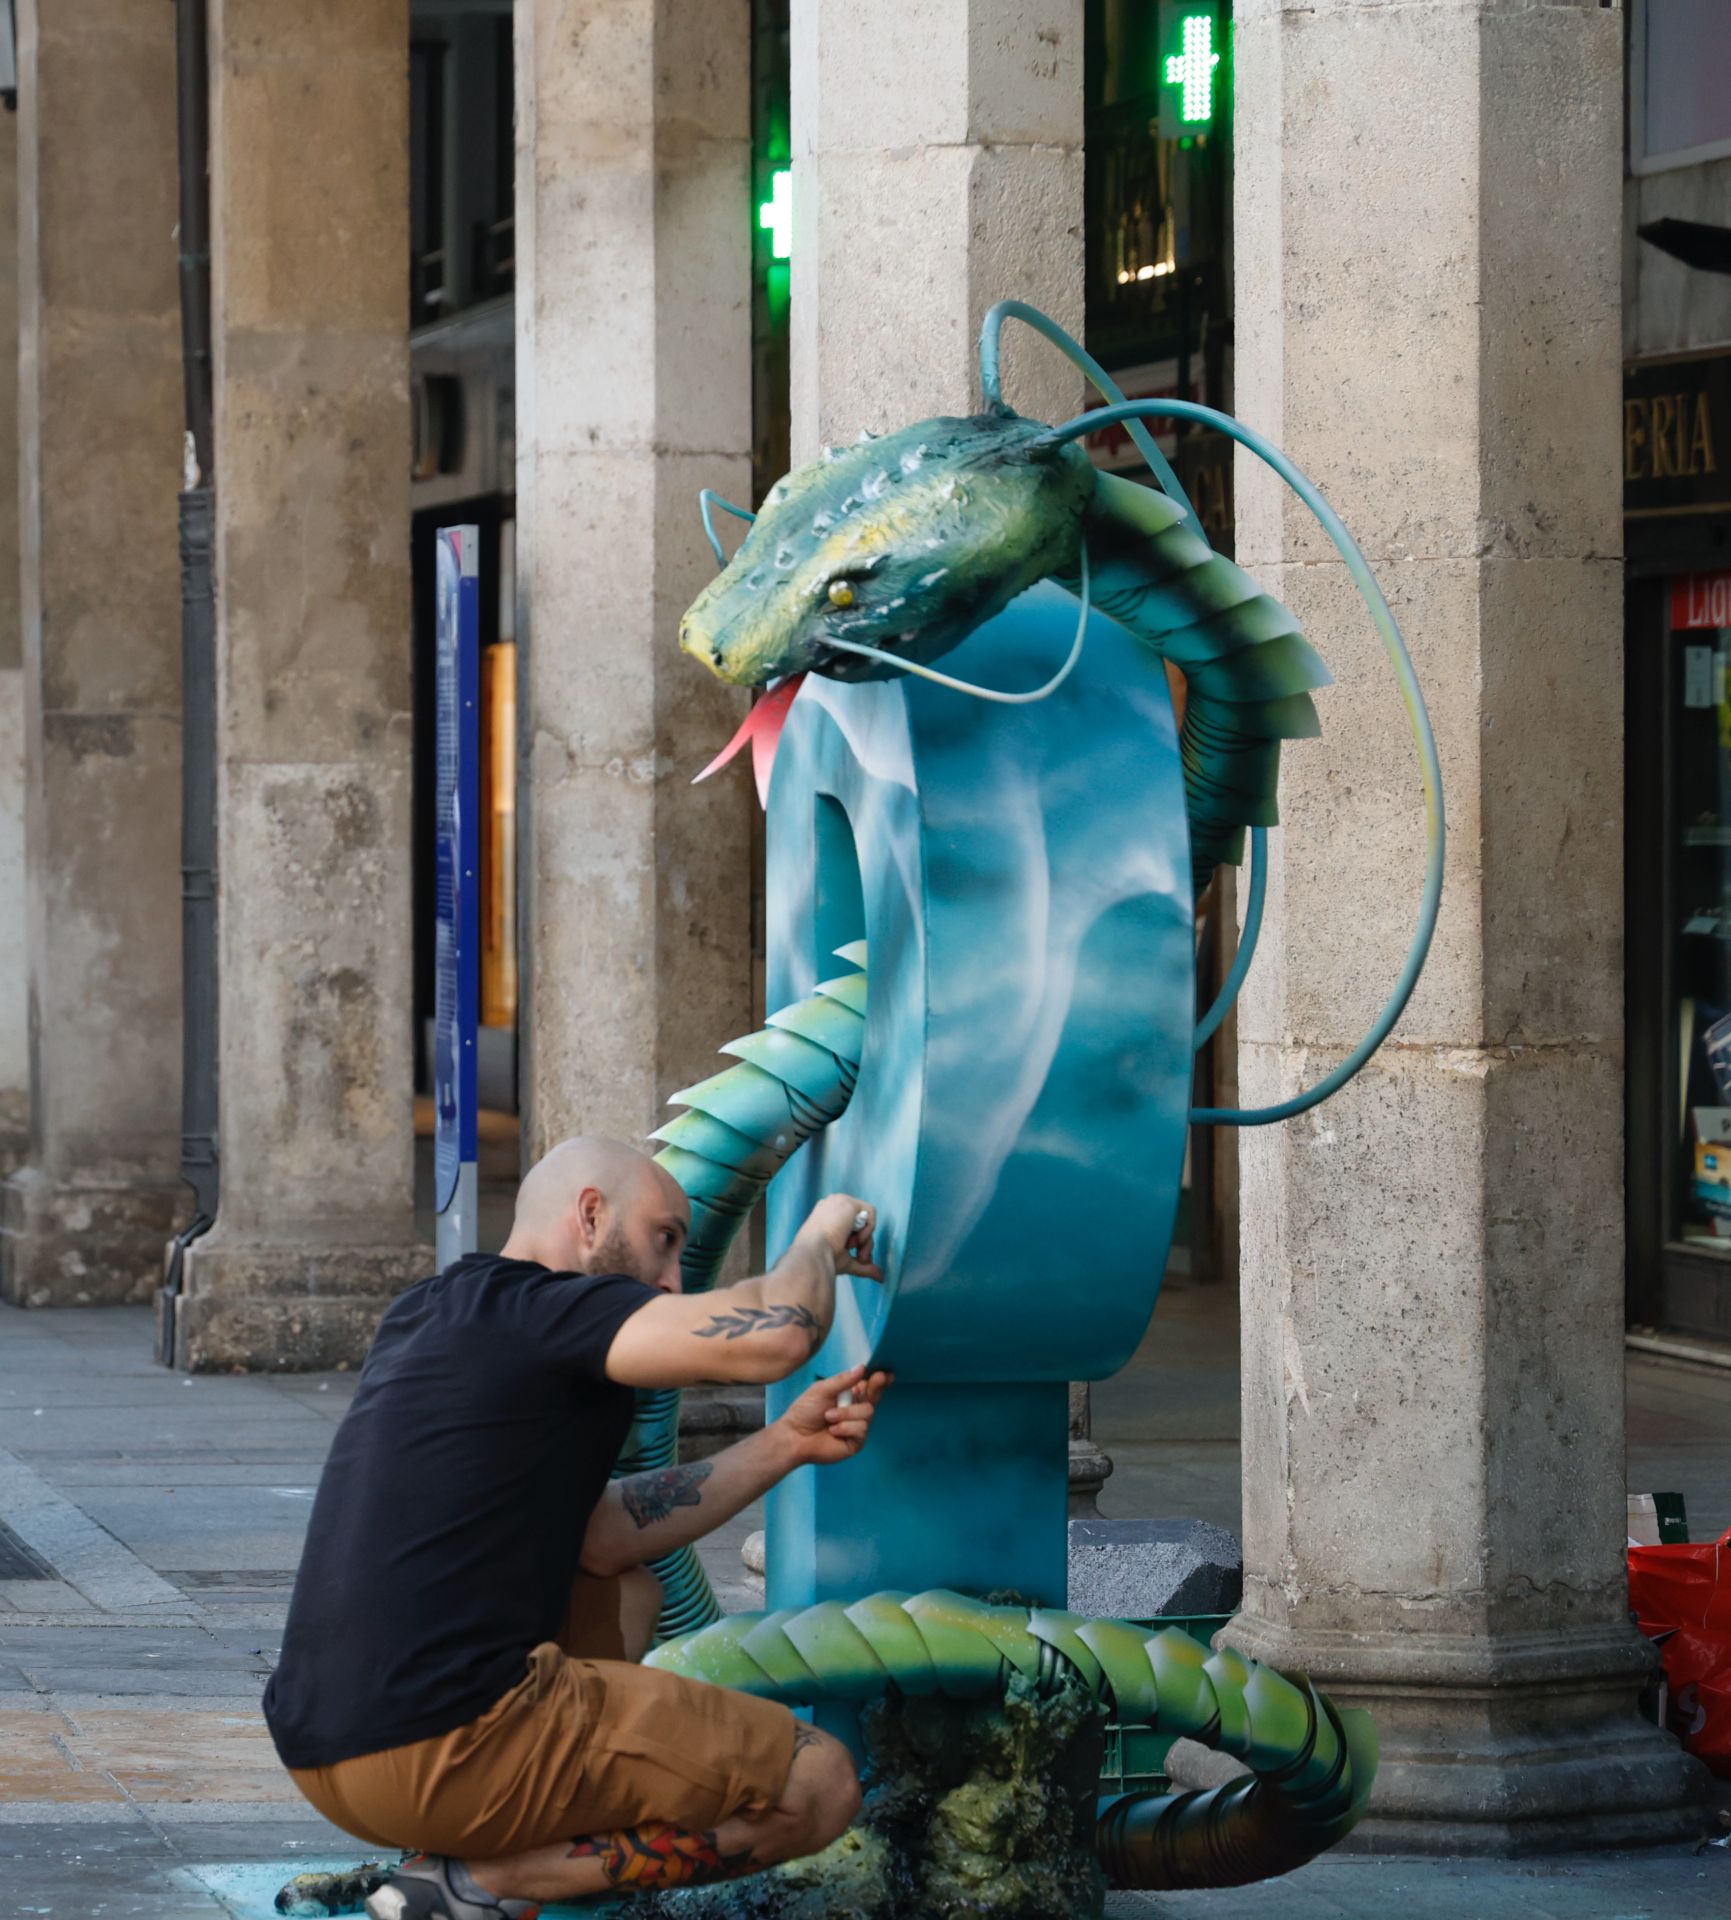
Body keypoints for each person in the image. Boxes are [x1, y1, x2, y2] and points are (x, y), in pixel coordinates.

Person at [263, 1135, 890, 1920]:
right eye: (665, 1240)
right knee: (817, 1785)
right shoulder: (547, 1308)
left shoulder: (432, 1313)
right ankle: (489, 1882)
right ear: (590, 1215)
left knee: (623, 1591)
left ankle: (457, 1859)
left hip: (328, 1751)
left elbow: (602, 1536)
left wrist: (784, 1444)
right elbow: (777, 1332)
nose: (670, 1280)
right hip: (451, 1739)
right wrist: (822, 1232)